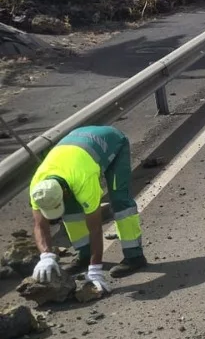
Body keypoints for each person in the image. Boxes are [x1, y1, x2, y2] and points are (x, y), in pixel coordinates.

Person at [28, 124, 148, 294]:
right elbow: (39, 225)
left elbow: (95, 228)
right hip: (77, 145)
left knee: (120, 201)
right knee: (71, 210)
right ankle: (84, 256)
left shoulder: (84, 181)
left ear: (64, 191)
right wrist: (45, 255)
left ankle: (134, 256)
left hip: (112, 142)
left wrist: (95, 269)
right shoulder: (38, 187)